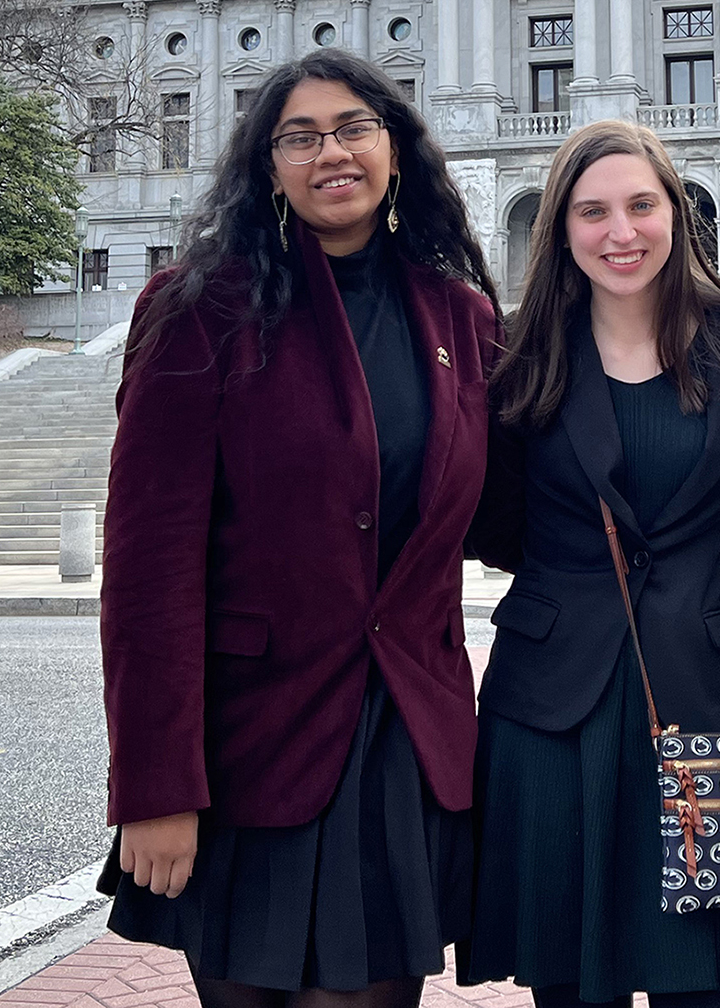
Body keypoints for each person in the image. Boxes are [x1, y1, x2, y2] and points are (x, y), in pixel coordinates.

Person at [98, 49, 502, 1008]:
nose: (333, 153)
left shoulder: (461, 317)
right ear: (267, 163)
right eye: (301, 135)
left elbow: (510, 512)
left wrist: (686, 550)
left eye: (355, 128)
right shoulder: (200, 308)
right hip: (250, 749)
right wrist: (154, 786)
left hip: (401, 738)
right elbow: (149, 568)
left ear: (395, 149)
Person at [465, 119, 720, 1008]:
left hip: (701, 697)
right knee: (572, 988)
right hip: (552, 711)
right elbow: (491, 516)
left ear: (676, 213)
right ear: (561, 229)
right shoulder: (519, 352)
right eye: (593, 211)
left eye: (643, 205)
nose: (622, 232)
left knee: (710, 989)